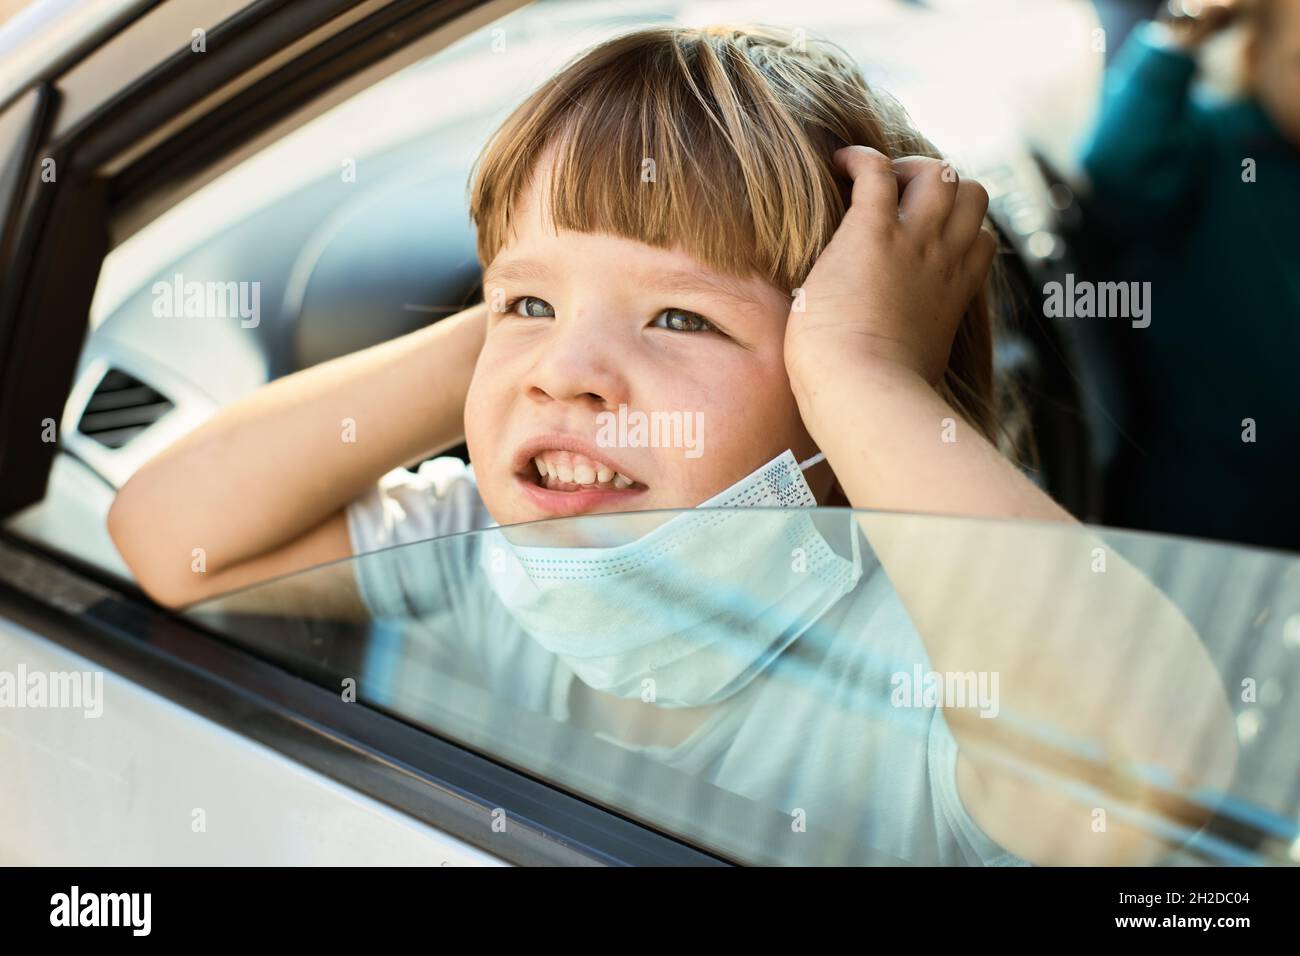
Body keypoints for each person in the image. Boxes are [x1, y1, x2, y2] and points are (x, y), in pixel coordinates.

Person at [109, 25, 1236, 865]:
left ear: (845, 403)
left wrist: (856, 368)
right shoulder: (484, 559)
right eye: (523, 304)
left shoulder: (935, 675)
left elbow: (1142, 776)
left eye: (683, 318)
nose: (564, 372)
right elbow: (169, 538)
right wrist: (524, 335)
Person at [1080, 0, 1300, 550]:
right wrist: (1181, 33)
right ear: (1257, 52)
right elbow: (1114, 166)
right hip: (1209, 498)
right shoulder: (1212, 143)